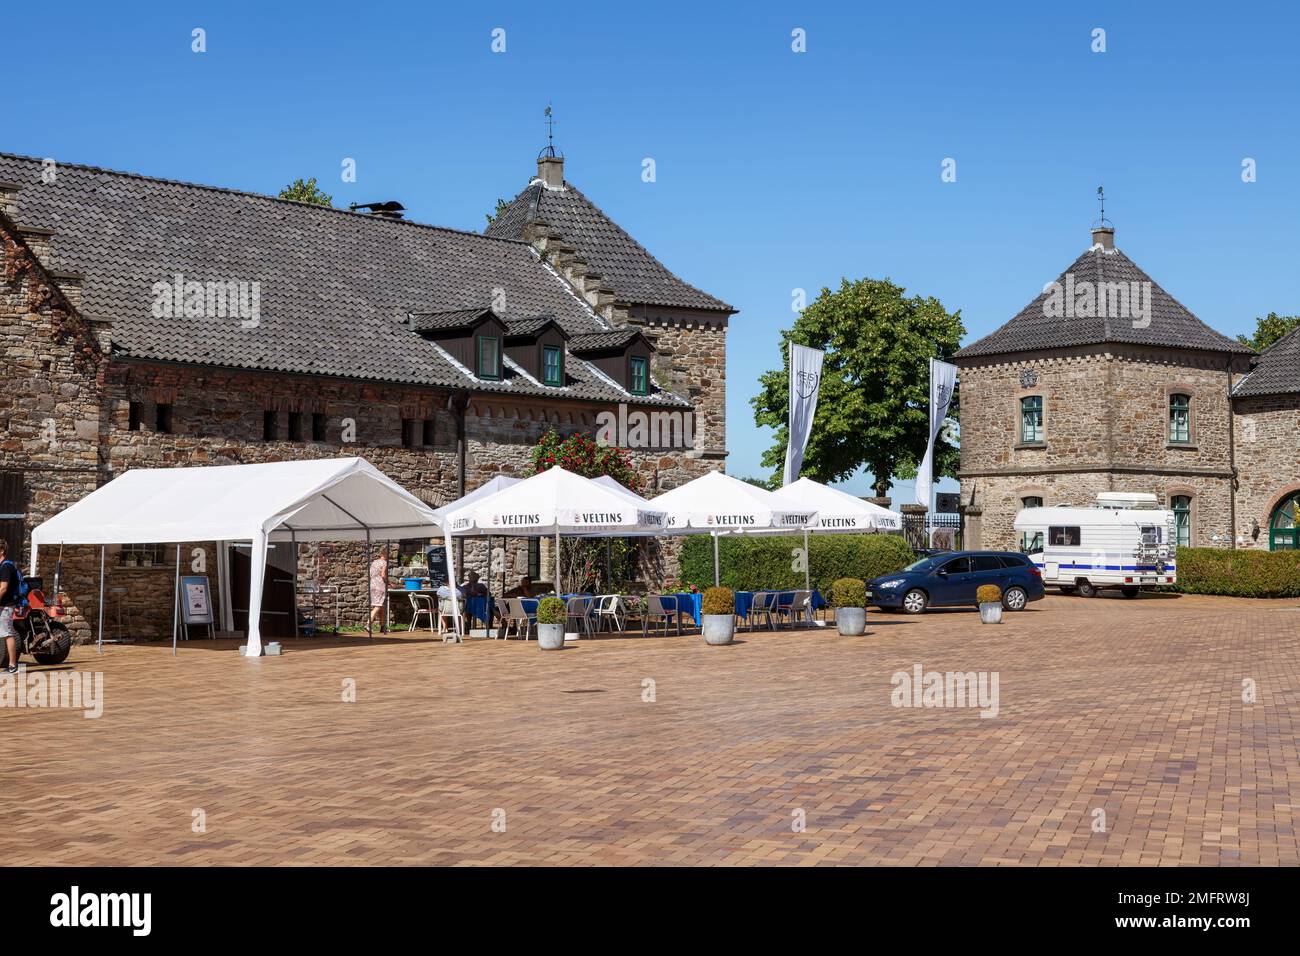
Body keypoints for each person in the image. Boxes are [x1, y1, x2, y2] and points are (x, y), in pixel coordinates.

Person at [0, 539, 21, 673]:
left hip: (6, 606)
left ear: (2, 551)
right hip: (3, 605)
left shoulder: (6, 566)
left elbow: (3, 588)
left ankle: (13, 665)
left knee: (7, 633)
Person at [368, 552, 388, 633]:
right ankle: (368, 624)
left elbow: (370, 574)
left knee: (381, 606)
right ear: (385, 554)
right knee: (378, 605)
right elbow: (383, 575)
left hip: (372, 585)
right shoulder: (384, 563)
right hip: (380, 585)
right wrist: (389, 583)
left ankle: (383, 627)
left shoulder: (374, 562)